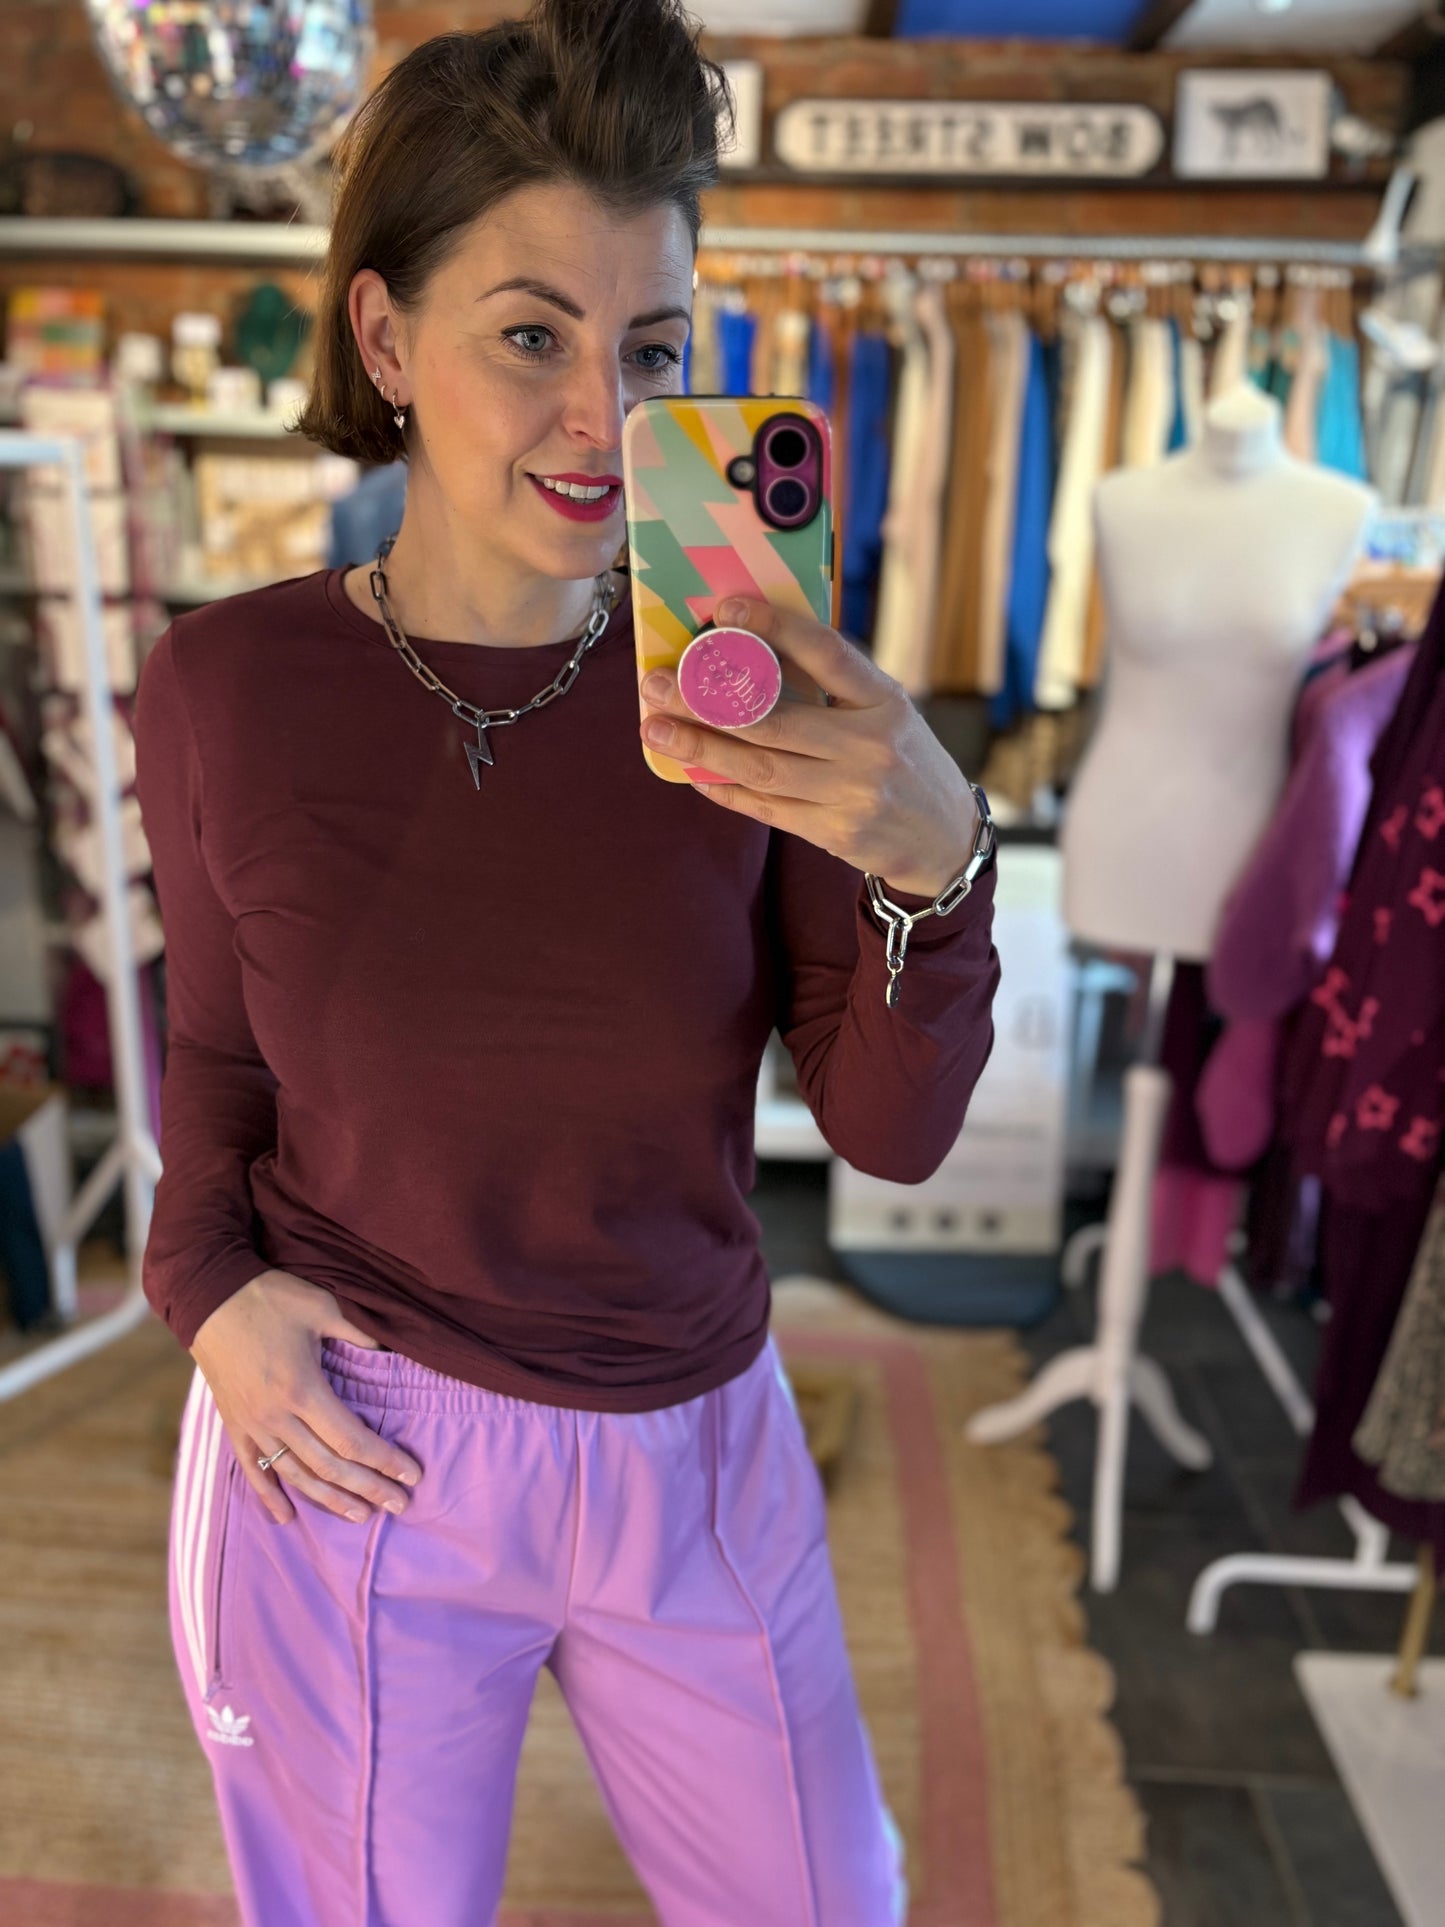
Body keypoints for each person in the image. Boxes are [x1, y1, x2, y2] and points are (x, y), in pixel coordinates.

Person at [132, 4, 1000, 1922]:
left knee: (825, 1900)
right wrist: (200, 1286)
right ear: (385, 337)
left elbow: (888, 1136)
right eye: (531, 334)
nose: (605, 417)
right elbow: (214, 1061)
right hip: (357, 1442)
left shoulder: (747, 697)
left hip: (694, 1436)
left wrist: (933, 862)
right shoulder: (225, 691)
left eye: (654, 348)